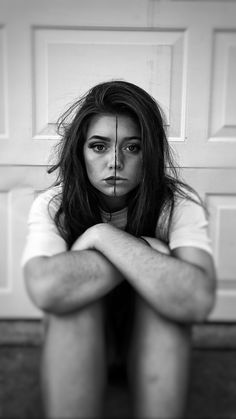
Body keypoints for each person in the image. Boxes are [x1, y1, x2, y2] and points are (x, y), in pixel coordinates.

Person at [22, 80, 216, 419]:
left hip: (151, 341)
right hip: (84, 341)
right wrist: (145, 248)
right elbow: (46, 289)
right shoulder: (55, 204)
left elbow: (196, 300)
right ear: (79, 151)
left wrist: (105, 240)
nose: (115, 161)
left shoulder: (178, 205)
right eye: (99, 146)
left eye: (132, 147)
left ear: (150, 153)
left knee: (167, 307)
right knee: (71, 306)